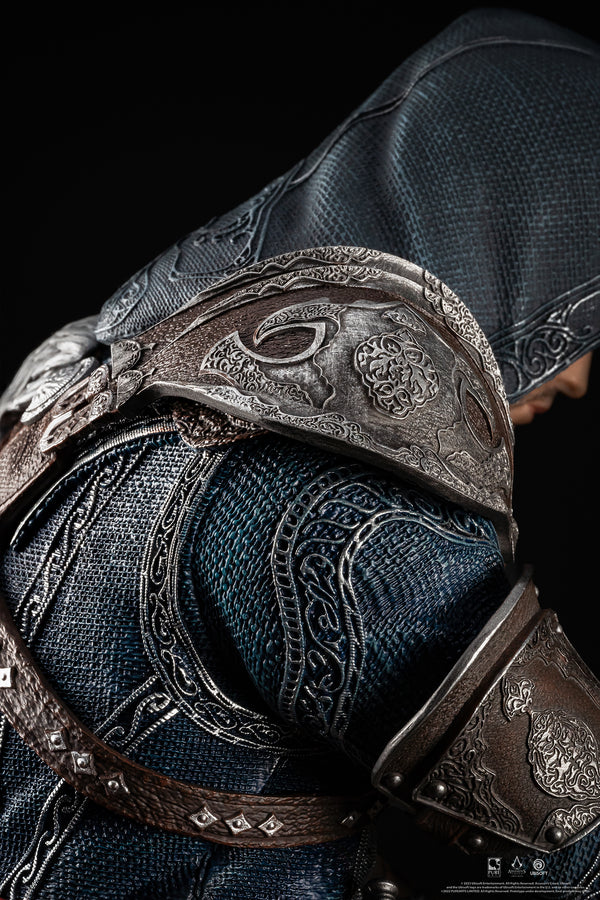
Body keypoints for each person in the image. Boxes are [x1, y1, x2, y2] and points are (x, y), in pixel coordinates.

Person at [0, 8, 598, 899]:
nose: (579, 374)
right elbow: (581, 840)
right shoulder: (346, 514)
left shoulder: (73, 378)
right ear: (510, 235)